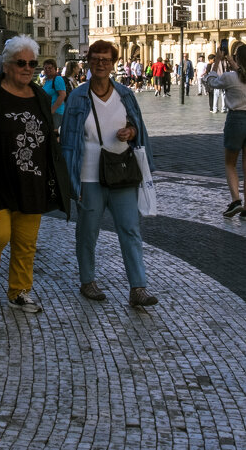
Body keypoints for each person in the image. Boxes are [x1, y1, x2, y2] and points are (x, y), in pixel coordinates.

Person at [0, 35, 71, 313]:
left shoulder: (40, 96)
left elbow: (47, 131)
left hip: (32, 179)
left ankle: (19, 291)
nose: (28, 68)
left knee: (26, 241)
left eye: (32, 63)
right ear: (7, 65)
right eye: (21, 62)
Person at [61, 40, 156, 307]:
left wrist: (131, 132)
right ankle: (87, 281)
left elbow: (138, 128)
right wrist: (72, 183)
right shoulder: (78, 96)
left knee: (130, 229)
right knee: (88, 231)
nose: (101, 64)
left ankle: (138, 287)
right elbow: (68, 140)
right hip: (89, 175)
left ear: (113, 63)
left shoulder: (125, 94)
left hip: (122, 172)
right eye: (96, 59)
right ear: (88, 62)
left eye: (106, 60)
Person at [205, 43, 246, 221]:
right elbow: (242, 73)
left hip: (236, 121)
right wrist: (231, 60)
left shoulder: (230, 78)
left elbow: (210, 82)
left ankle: (236, 200)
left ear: (238, 59)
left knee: (230, 164)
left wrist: (216, 62)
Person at [40, 58, 68, 131]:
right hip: (49, 112)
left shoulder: (57, 79)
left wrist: (52, 110)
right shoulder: (47, 80)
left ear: (55, 69)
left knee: (55, 135)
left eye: (50, 68)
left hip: (56, 112)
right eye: (45, 68)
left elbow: (62, 95)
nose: (47, 70)